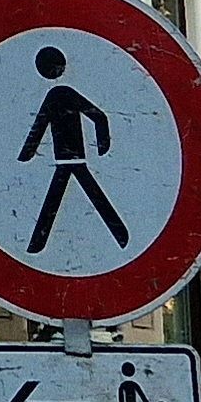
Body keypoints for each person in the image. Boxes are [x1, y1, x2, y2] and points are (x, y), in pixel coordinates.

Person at [18, 45, 128, 255]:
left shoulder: (59, 94)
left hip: (68, 158)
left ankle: (35, 247)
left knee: (64, 198)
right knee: (80, 196)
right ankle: (121, 236)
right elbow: (98, 117)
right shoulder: (62, 93)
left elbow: (40, 126)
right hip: (70, 159)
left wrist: (27, 154)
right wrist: (102, 145)